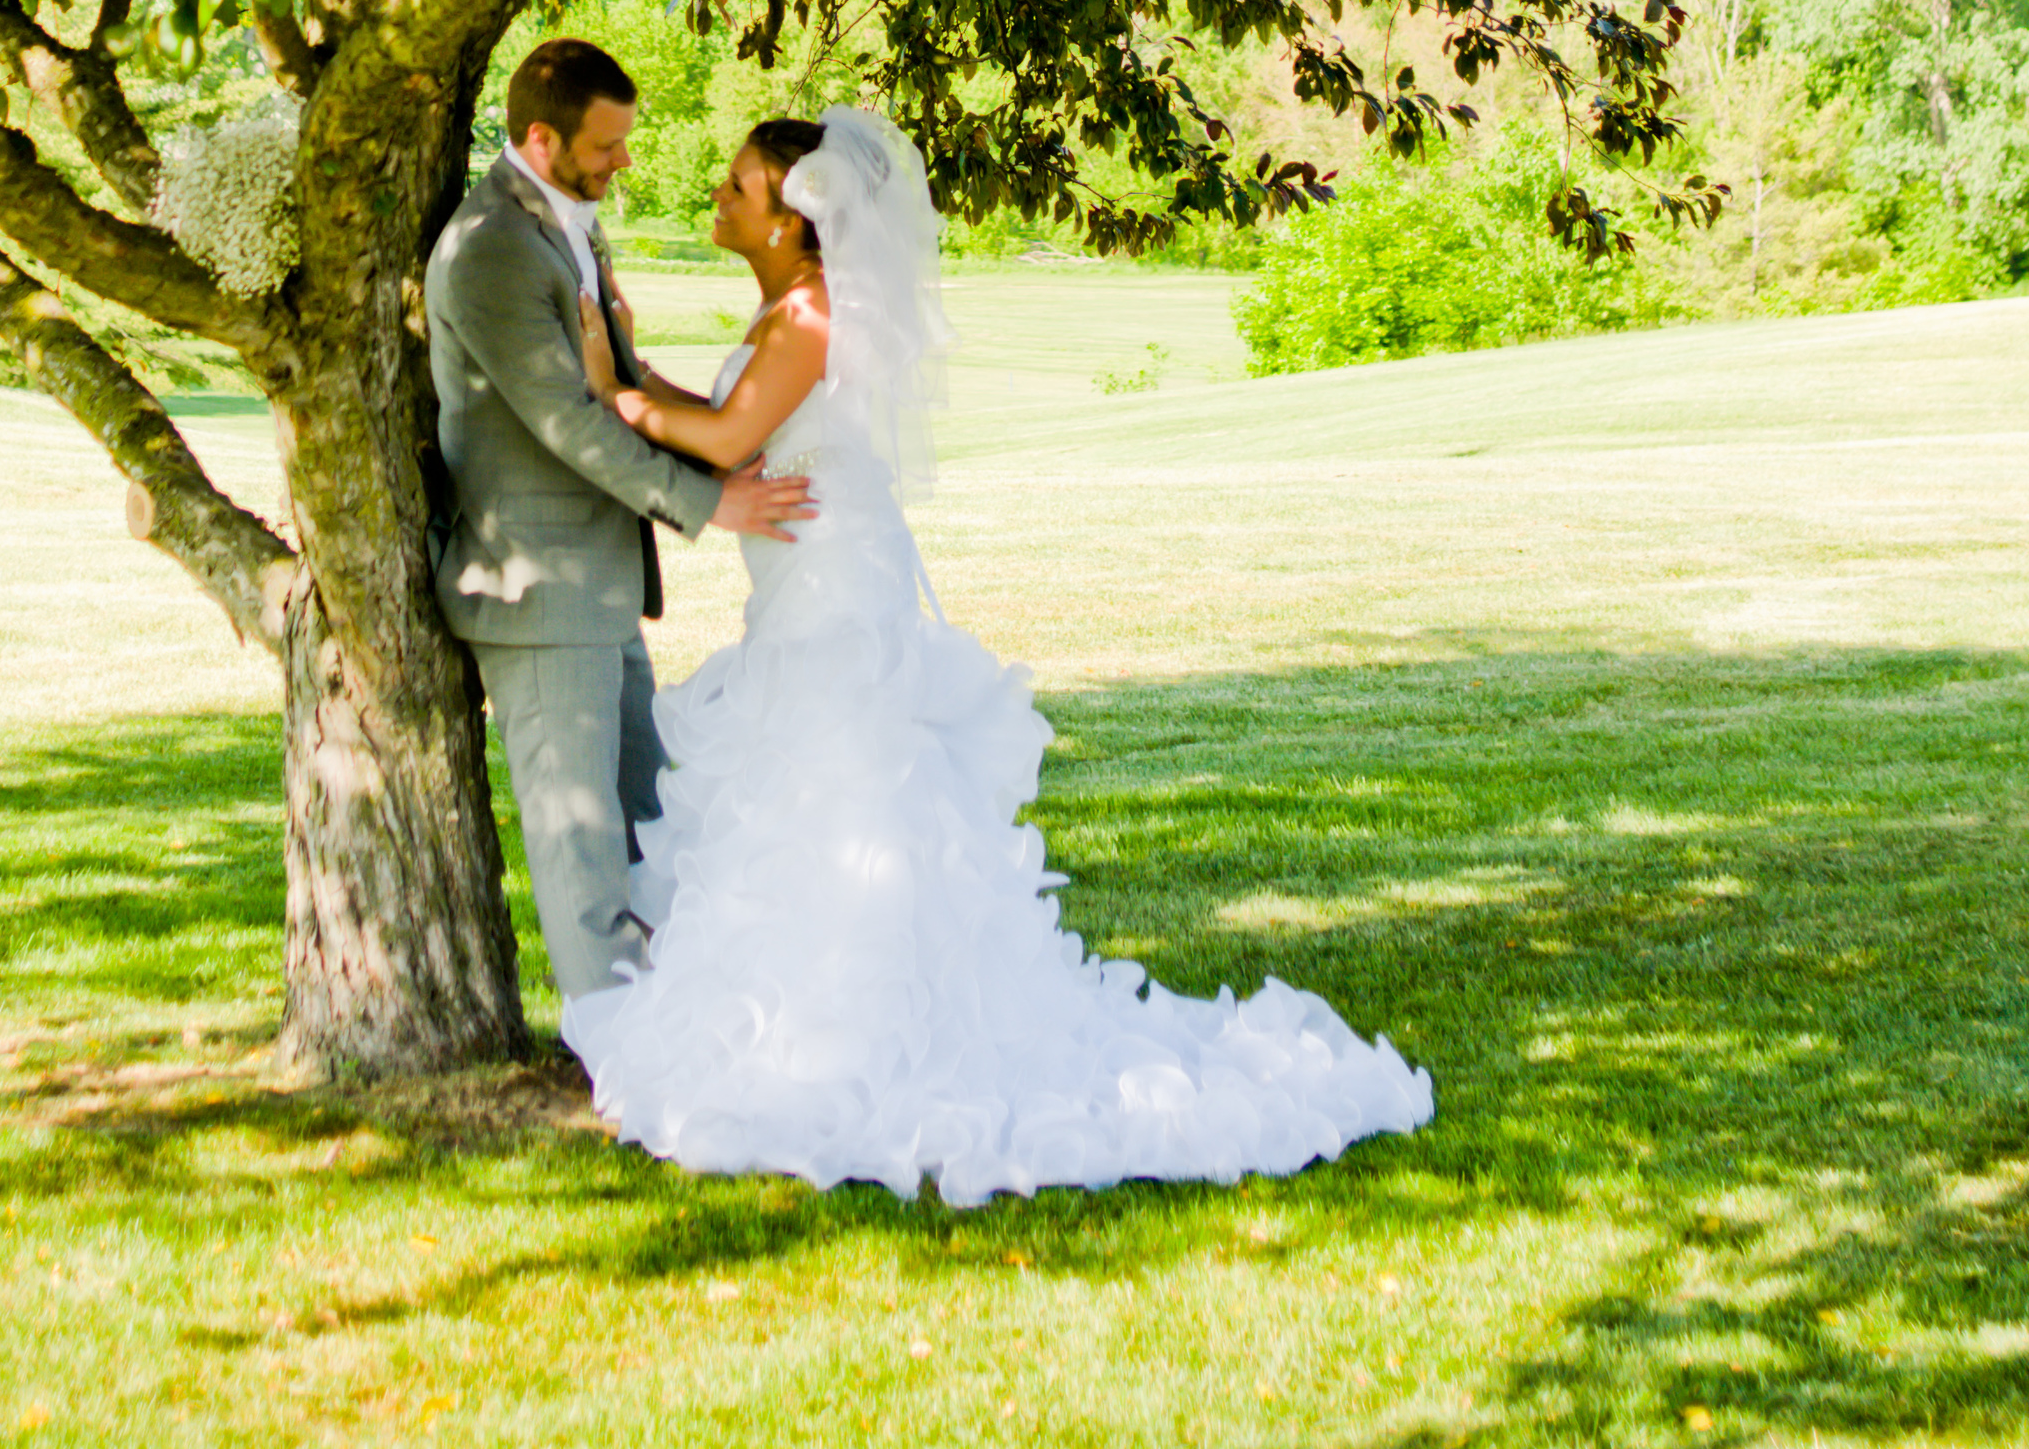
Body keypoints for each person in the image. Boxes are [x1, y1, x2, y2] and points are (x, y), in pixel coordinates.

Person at [563, 106, 1434, 1203]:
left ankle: (855, 1021)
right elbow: (737, 415)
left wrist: (608, 392)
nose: (718, 195)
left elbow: (731, 440)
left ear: (793, 216)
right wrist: (639, 374)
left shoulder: (811, 309)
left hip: (832, 590)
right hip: (801, 578)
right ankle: (808, 1005)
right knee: (814, 785)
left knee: (835, 777)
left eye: (738, 185)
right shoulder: (791, 305)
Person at [422, 37, 813, 1004]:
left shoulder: (568, 226)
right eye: (606, 145)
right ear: (540, 139)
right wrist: (709, 500)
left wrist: (703, 438)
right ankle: (613, 1051)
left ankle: (671, 1029)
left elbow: (616, 387)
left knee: (650, 827)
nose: (624, 160)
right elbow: (564, 419)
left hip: (597, 586)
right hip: (539, 593)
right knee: (583, 850)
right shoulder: (492, 248)